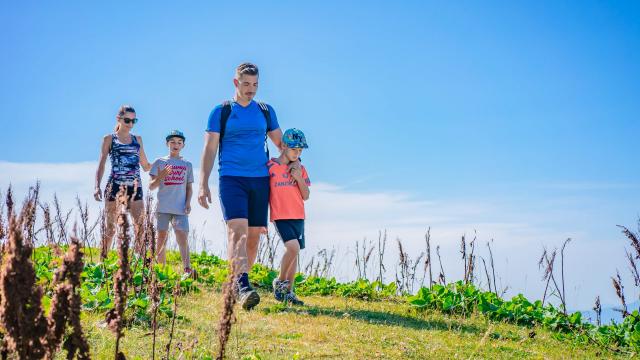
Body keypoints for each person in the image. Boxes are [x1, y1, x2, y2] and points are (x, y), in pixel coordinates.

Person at [198, 62, 282, 310]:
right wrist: (203, 183)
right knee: (238, 230)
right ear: (236, 83)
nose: (251, 89)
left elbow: (280, 143)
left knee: (254, 237)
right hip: (232, 177)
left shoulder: (265, 111)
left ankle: (238, 281)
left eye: (255, 85)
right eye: (246, 84)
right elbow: (210, 148)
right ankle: (242, 285)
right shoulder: (221, 111)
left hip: (260, 179)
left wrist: (295, 165)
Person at [94, 105, 151, 258]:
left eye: (134, 121)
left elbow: (145, 166)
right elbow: (101, 163)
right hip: (115, 186)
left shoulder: (137, 139)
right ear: (118, 119)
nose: (131, 124)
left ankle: (140, 263)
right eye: (127, 120)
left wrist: (164, 163)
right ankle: (102, 262)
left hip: (135, 187)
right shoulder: (109, 139)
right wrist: (96, 186)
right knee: (111, 228)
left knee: (140, 227)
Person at [269, 129, 310, 306]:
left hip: (298, 216)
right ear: (284, 146)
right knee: (292, 248)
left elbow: (306, 195)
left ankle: (289, 292)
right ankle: (279, 282)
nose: (297, 153)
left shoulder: (300, 168)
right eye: (294, 149)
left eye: (300, 151)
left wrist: (298, 177)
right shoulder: (270, 167)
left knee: (295, 254)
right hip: (280, 215)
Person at [149, 130, 194, 274]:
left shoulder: (187, 164)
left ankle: (187, 269)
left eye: (179, 142)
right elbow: (151, 186)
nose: (176, 145)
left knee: (182, 237)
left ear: (183, 145)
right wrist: (161, 175)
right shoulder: (159, 162)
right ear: (167, 143)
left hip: (180, 208)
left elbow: (189, 187)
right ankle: (161, 270)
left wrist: (188, 202)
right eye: (173, 142)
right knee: (161, 237)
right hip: (162, 208)